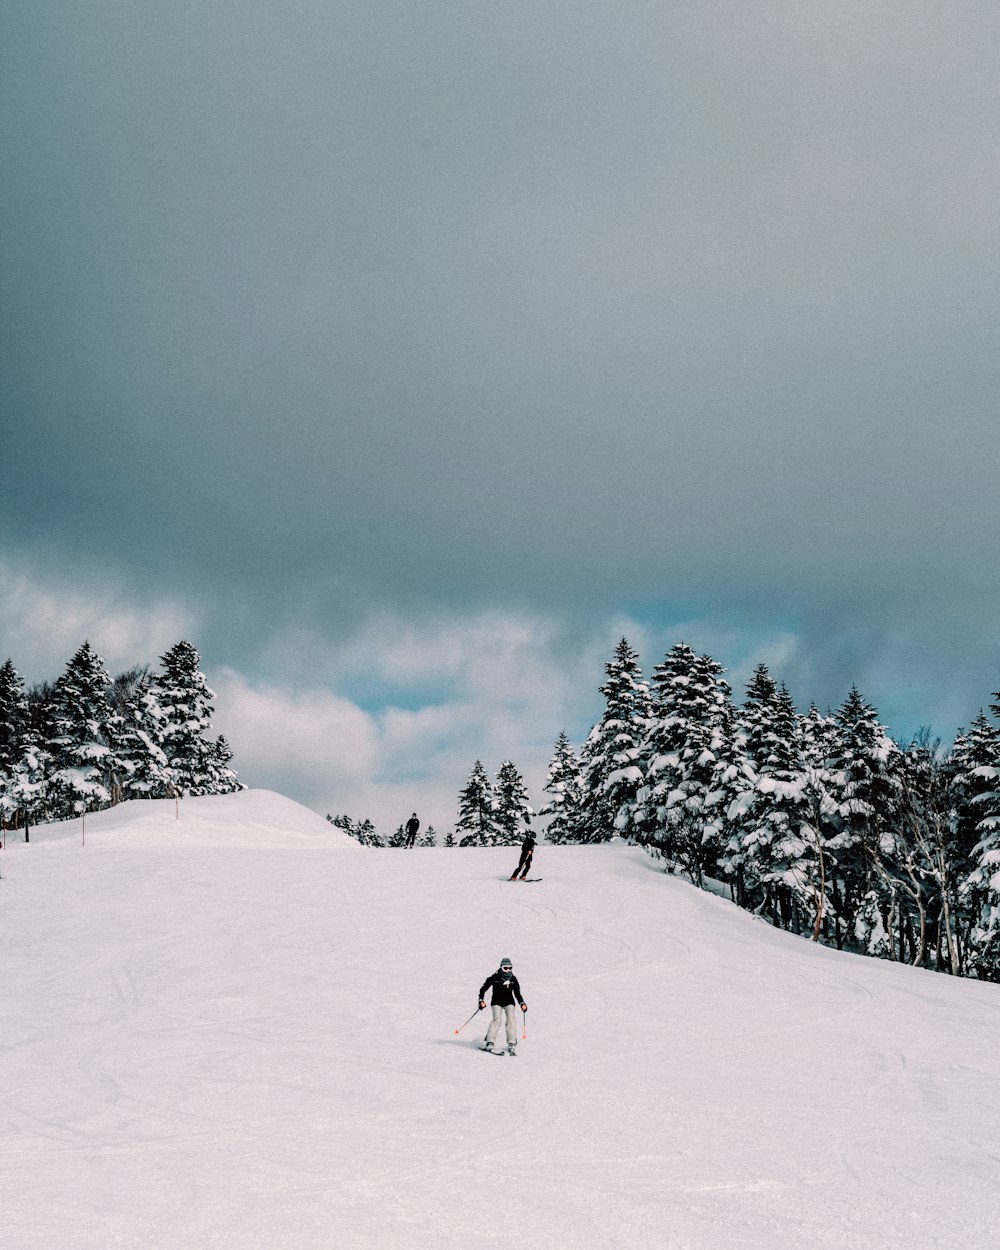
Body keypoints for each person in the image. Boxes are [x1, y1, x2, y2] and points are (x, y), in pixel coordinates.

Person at [478, 957, 527, 1054]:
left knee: (511, 1020)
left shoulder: (513, 979)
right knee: (497, 1020)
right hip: (497, 1002)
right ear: (501, 967)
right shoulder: (494, 977)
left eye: (510, 968)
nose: (508, 970)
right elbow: (483, 988)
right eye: (505, 968)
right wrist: (481, 1000)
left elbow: (517, 993)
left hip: (509, 1002)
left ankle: (511, 1043)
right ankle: (489, 1043)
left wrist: (522, 1003)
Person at [509, 816, 536, 880]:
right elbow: (523, 848)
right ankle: (513, 876)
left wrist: (531, 853)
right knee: (520, 867)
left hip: (529, 857)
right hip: (524, 856)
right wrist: (527, 851)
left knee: (528, 867)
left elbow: (532, 850)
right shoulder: (527, 841)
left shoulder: (532, 842)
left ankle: (523, 876)